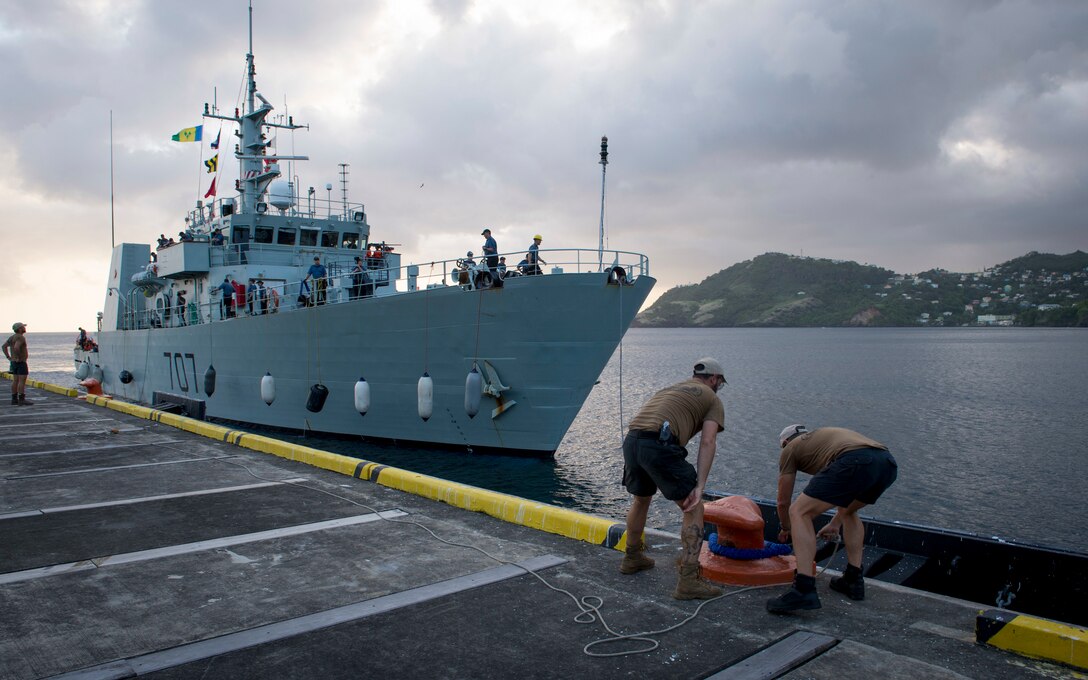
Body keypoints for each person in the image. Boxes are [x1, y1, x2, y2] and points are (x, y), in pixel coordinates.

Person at [620, 358, 728, 600]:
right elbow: (708, 441)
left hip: (633, 441)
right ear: (714, 379)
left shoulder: (669, 389)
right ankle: (689, 580)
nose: (719, 386)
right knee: (693, 505)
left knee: (641, 499)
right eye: (720, 382)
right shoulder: (712, 398)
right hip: (659, 444)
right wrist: (699, 485)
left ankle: (632, 557)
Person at [766, 425, 899, 614]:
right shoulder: (822, 440)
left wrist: (786, 527)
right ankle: (853, 580)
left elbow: (783, 501)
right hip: (886, 463)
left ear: (785, 442)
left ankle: (803, 589)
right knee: (849, 512)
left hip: (855, 460)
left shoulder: (790, 448)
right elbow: (845, 505)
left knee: (799, 512)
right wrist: (835, 523)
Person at [3, 322, 32, 405]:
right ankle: (21, 399)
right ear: (20, 329)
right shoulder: (20, 337)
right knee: (22, 380)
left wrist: (9, 357)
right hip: (21, 362)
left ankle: (14, 399)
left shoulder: (12, 337)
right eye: (23, 327)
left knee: (15, 380)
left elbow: (4, 346)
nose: (25, 328)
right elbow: (16, 347)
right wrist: (19, 357)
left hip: (13, 362)